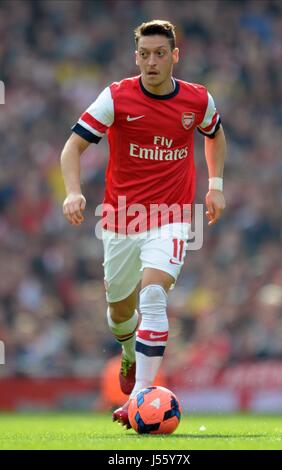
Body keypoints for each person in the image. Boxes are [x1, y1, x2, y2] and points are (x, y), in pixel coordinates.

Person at [60, 20, 226, 428]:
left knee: (153, 296)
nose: (151, 61)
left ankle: (138, 398)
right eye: (144, 54)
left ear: (174, 56)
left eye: (159, 53)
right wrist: (72, 191)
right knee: (119, 313)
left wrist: (216, 185)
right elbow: (72, 147)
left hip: (169, 217)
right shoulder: (116, 97)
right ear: (136, 57)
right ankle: (129, 353)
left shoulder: (197, 99)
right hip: (120, 220)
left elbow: (215, 134)